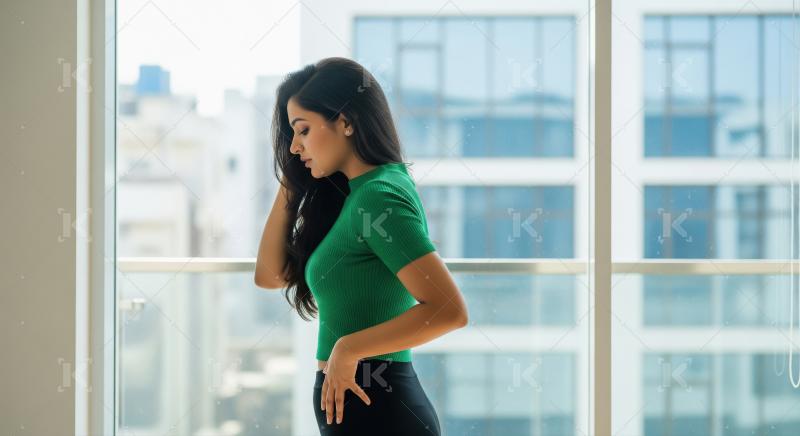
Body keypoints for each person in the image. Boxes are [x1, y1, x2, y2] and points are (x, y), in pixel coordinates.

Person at [254, 57, 469, 435]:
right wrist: (293, 179)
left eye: (302, 131)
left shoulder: (377, 197)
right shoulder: (356, 196)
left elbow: (449, 309)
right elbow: (270, 275)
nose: (295, 147)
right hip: (368, 406)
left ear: (347, 122)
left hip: (381, 408)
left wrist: (348, 348)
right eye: (292, 135)